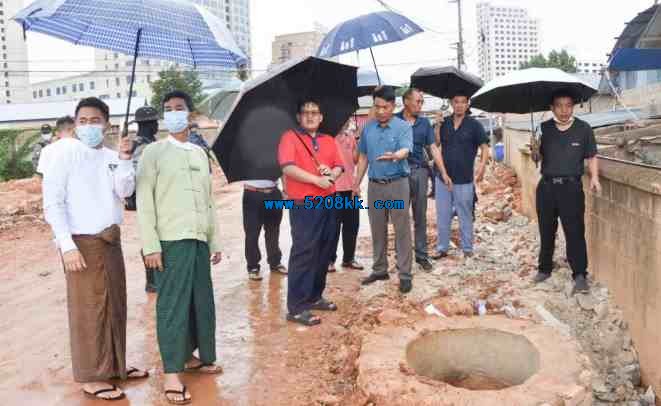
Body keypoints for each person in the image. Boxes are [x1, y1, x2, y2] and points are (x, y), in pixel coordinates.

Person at [42, 97, 148, 401]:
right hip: (81, 244)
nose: (89, 126)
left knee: (115, 305)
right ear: (75, 125)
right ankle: (91, 375)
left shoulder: (112, 156)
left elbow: (125, 192)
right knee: (88, 311)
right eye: (83, 121)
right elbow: (53, 202)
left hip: (110, 241)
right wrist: (66, 245)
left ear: (107, 124)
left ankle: (115, 365)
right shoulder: (64, 155)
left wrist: (126, 158)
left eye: (95, 120)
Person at [137, 90, 223, 405]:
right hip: (169, 241)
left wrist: (214, 240)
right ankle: (172, 373)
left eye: (179, 108)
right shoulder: (153, 153)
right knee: (172, 306)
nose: (174, 113)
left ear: (189, 113)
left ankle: (191, 356)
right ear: (163, 116)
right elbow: (145, 203)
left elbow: (209, 201)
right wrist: (150, 246)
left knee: (200, 301)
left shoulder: (199, 153)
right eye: (168, 108)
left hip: (199, 239)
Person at [277, 98, 344, 326]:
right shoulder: (290, 137)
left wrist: (331, 174)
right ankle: (296, 307)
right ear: (298, 117)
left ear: (321, 116)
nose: (310, 115)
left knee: (324, 250)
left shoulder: (328, 139)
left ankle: (315, 296)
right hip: (304, 204)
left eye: (315, 112)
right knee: (304, 252)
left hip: (330, 201)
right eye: (305, 112)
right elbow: (288, 167)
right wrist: (316, 179)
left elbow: (339, 165)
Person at [533, 89, 601, 294]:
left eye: (568, 105)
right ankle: (544, 268)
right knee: (546, 230)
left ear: (573, 106)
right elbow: (536, 159)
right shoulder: (543, 129)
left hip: (572, 188)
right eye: (559, 106)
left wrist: (595, 178)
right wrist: (534, 150)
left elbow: (592, 156)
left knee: (575, 232)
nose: (564, 110)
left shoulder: (584, 129)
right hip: (546, 187)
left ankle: (579, 274)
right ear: (552, 108)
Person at [353, 86, 414, 294]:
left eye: (384, 107)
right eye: (376, 107)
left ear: (393, 106)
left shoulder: (403, 127)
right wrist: (355, 183)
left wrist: (397, 155)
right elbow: (362, 158)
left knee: (401, 230)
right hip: (375, 187)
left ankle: (405, 273)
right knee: (377, 229)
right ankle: (380, 269)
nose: (380, 111)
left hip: (397, 185)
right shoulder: (368, 128)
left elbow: (406, 149)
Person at [396, 89, 450, 271]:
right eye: (417, 101)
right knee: (400, 217)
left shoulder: (424, 123)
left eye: (421, 102)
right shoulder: (393, 120)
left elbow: (433, 148)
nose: (420, 105)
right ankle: (402, 258)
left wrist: (443, 173)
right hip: (399, 174)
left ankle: (421, 256)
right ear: (405, 101)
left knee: (420, 217)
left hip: (419, 173)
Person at [434, 93, 489, 259]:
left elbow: (485, 147)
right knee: (443, 214)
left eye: (463, 102)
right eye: (456, 102)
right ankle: (442, 248)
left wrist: (481, 168)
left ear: (467, 104)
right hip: (443, 178)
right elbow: (436, 144)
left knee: (465, 214)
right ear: (451, 103)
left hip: (464, 179)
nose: (459, 105)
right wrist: (437, 126)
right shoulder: (445, 123)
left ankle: (467, 248)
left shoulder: (474, 125)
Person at [125, 105, 160, 293]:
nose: (157, 125)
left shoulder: (149, 142)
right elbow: (137, 172)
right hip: (146, 197)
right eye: (154, 122)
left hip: (268, 205)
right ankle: (152, 281)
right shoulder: (141, 145)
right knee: (151, 236)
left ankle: (155, 278)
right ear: (148, 124)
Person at [329, 118, 363, 272]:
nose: (345, 121)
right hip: (333, 189)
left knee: (352, 225)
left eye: (348, 117)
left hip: (351, 188)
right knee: (332, 227)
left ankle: (349, 258)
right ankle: (329, 260)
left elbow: (355, 160)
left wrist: (358, 140)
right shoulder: (328, 138)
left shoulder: (351, 136)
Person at [242, 177, 287, 281]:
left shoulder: (275, 159)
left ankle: (275, 262)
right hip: (252, 194)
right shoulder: (245, 160)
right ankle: (253, 267)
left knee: (274, 230)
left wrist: (285, 190)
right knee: (252, 233)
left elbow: (283, 172)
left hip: (274, 193)